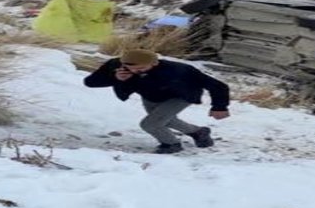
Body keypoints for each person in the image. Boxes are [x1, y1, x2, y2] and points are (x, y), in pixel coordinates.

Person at [83, 48, 230, 154]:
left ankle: (171, 144)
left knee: (150, 124)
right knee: (167, 121)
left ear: (154, 63)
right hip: (150, 96)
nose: (134, 71)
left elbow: (218, 86)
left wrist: (220, 107)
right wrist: (115, 78)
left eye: (140, 69)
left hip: (181, 96)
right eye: (129, 68)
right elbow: (90, 82)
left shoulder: (179, 70)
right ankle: (198, 132)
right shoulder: (115, 65)